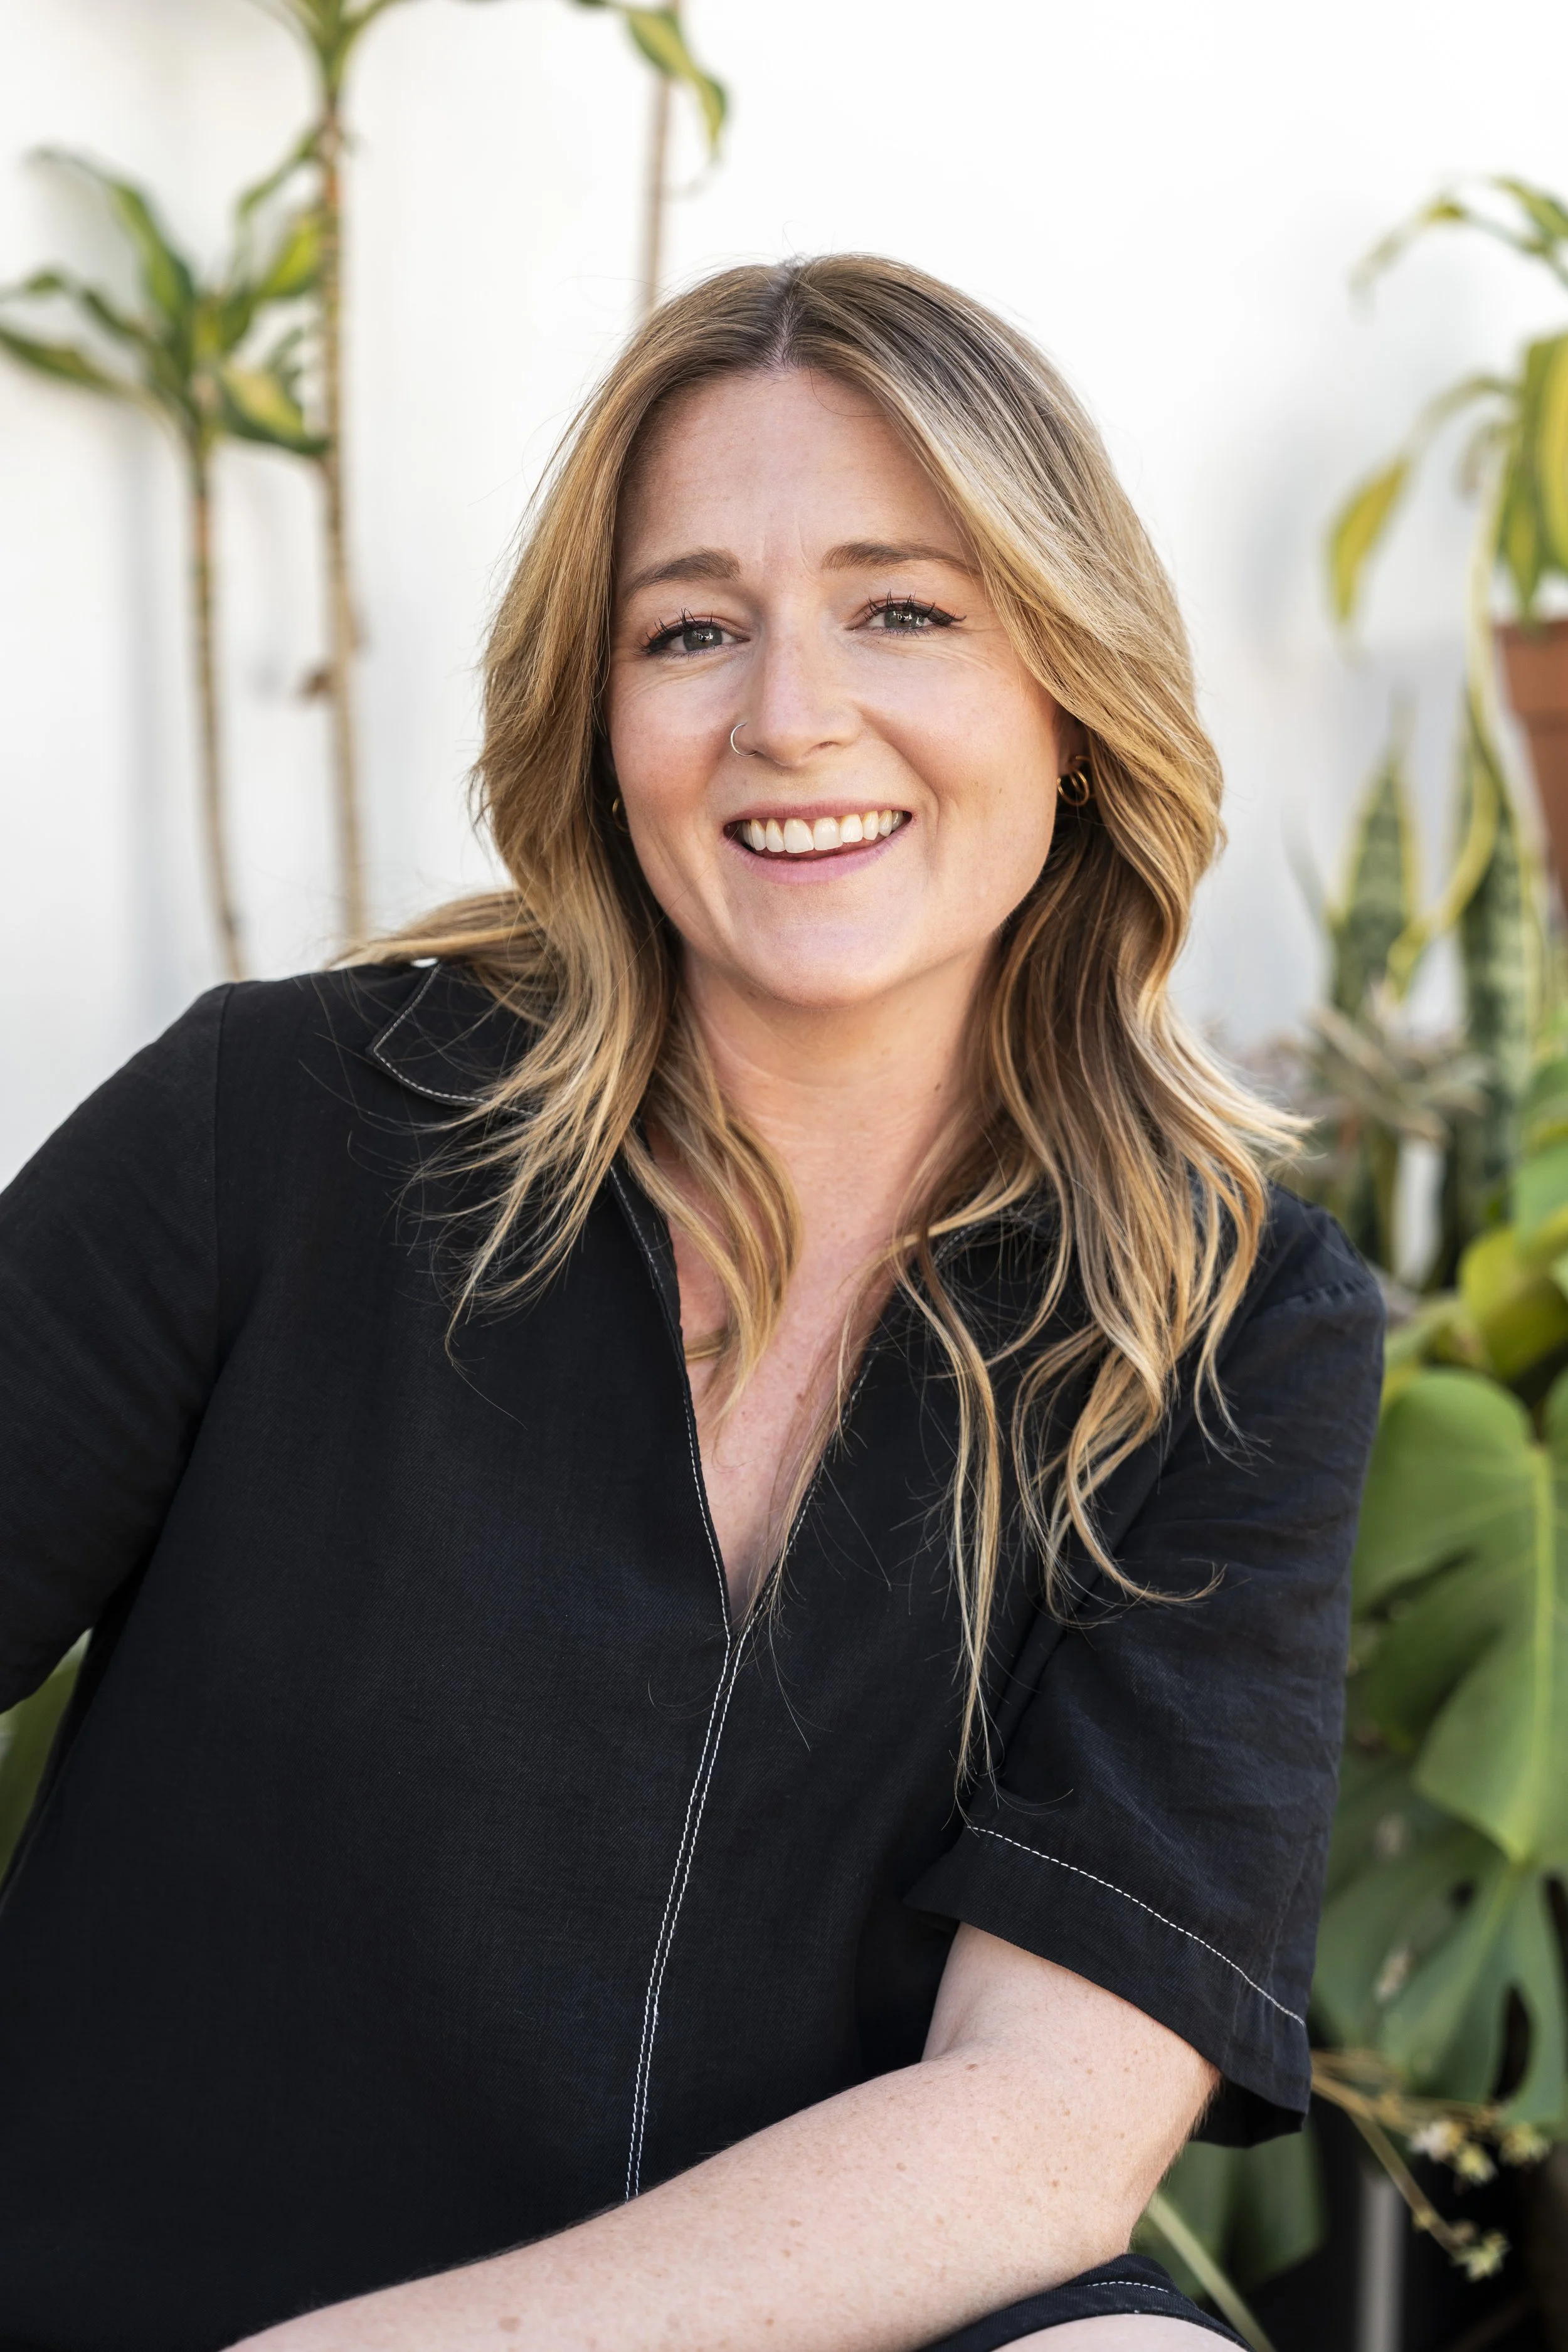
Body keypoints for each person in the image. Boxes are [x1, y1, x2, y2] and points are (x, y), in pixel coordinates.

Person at [0, 256, 1383, 2352]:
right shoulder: (277, 1127)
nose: (789, 716)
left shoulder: (1226, 1323)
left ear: (1068, 695)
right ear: (602, 715)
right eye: (691, 629)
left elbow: (1045, 2119)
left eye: (901, 608)